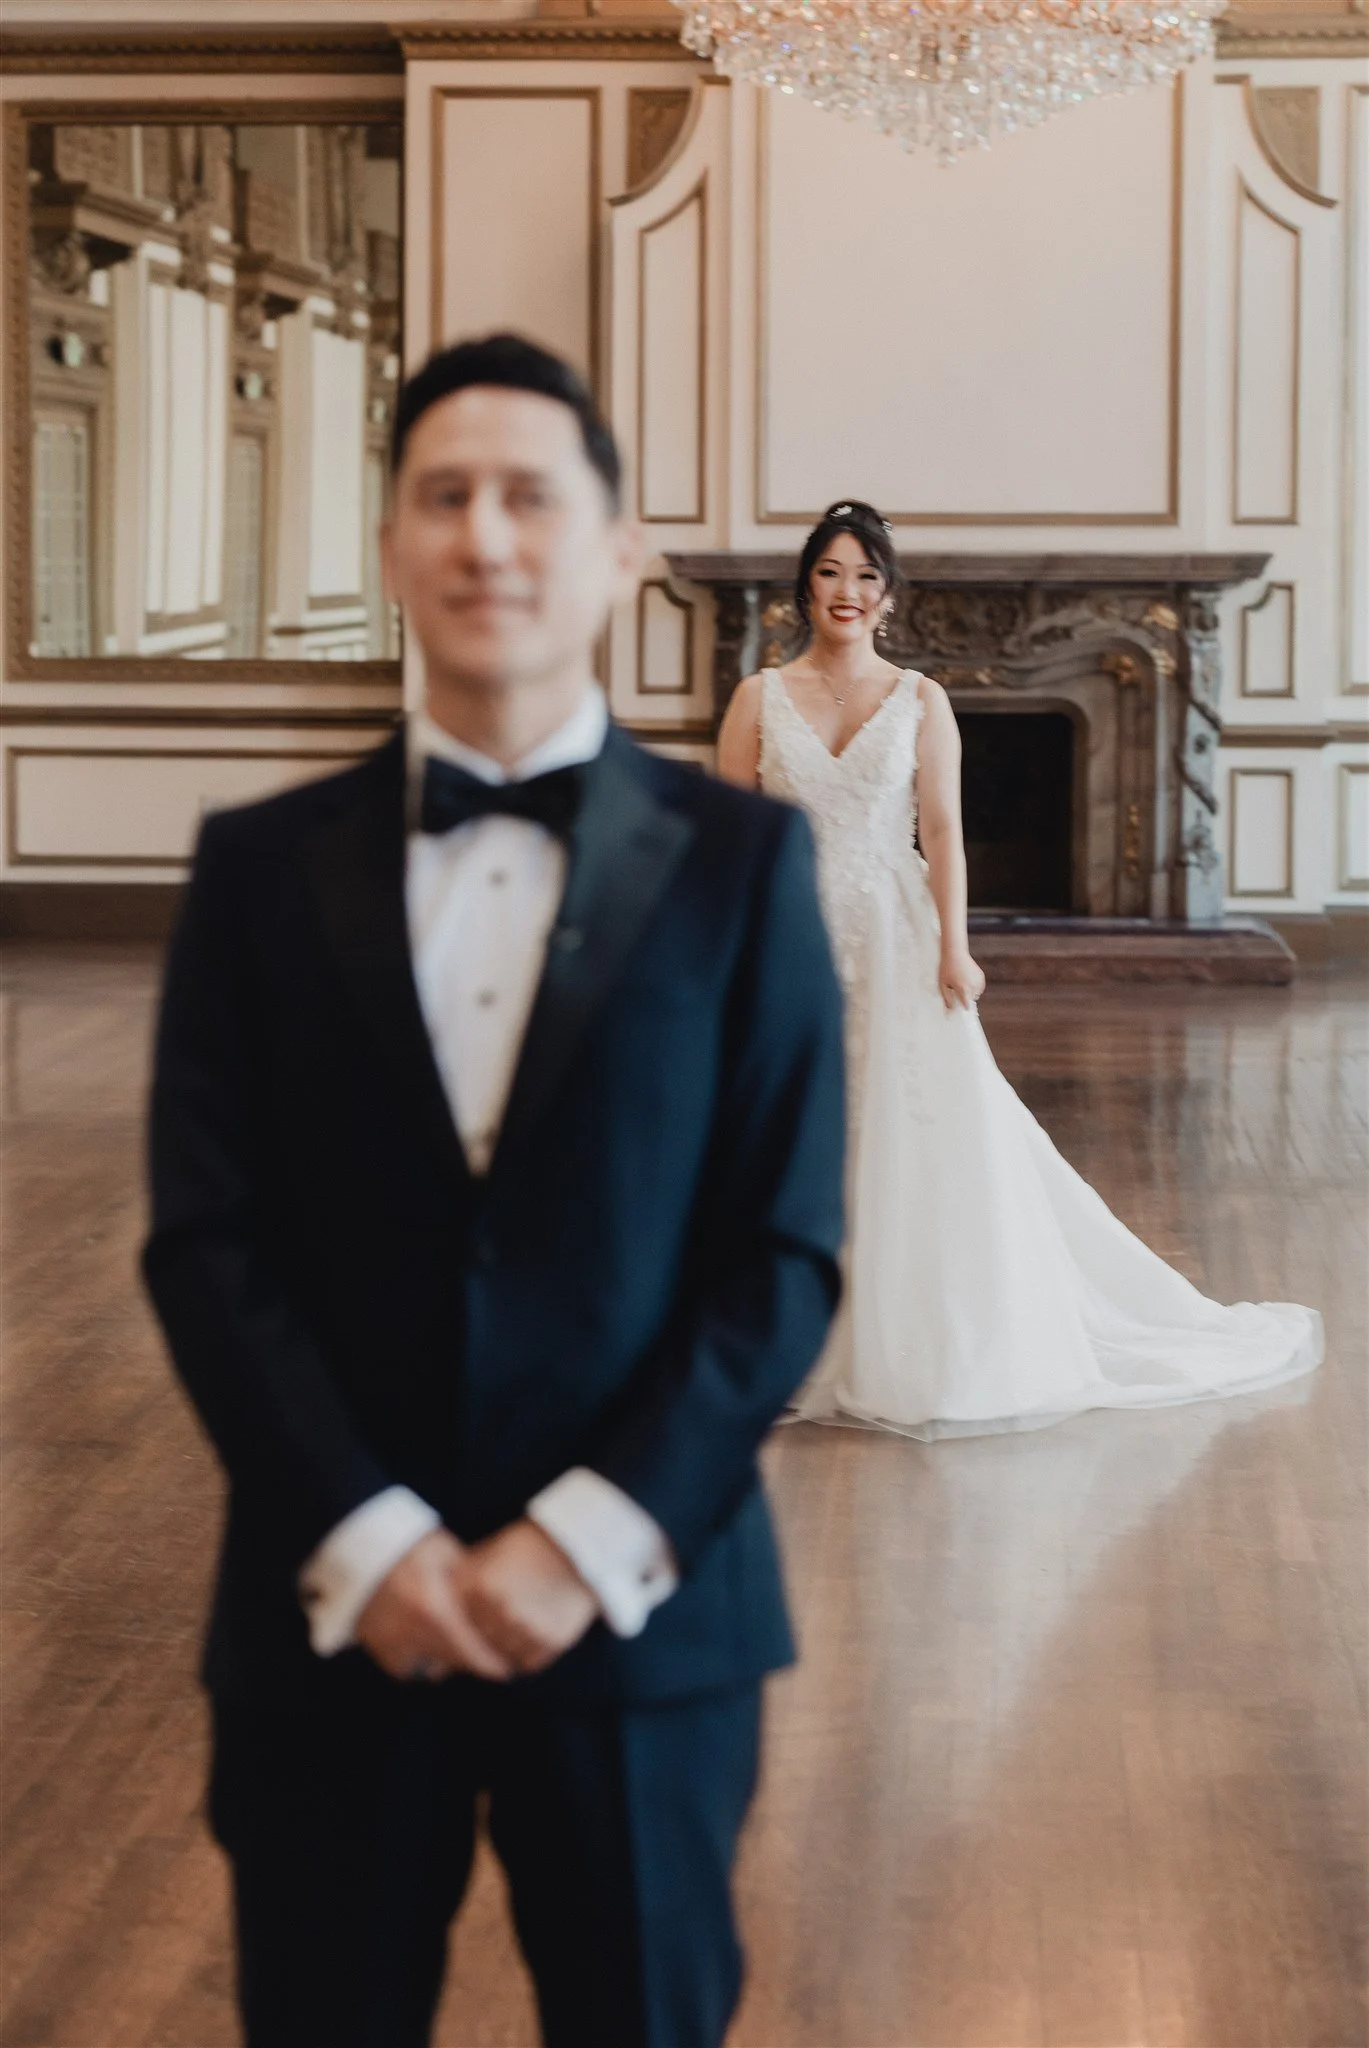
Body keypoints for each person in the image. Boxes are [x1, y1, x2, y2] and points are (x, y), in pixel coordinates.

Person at [141, 334, 846, 2048]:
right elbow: (208, 1246)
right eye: (442, 496)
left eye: (530, 496)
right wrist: (375, 1541)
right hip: (330, 1613)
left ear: (616, 551)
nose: (483, 536)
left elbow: (781, 1251)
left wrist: (580, 1544)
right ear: (390, 543)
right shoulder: (253, 869)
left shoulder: (744, 866)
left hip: (644, 1620)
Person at [717, 498, 1322, 1440]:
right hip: (787, 936)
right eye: (830, 572)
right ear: (805, 588)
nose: (847, 590)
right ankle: (779, 1335)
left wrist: (955, 947)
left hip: (893, 932)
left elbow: (943, 831)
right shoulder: (757, 697)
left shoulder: (920, 699)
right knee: (790, 1128)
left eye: (865, 575)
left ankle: (908, 1342)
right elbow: (729, 839)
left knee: (903, 1124)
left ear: (888, 595)